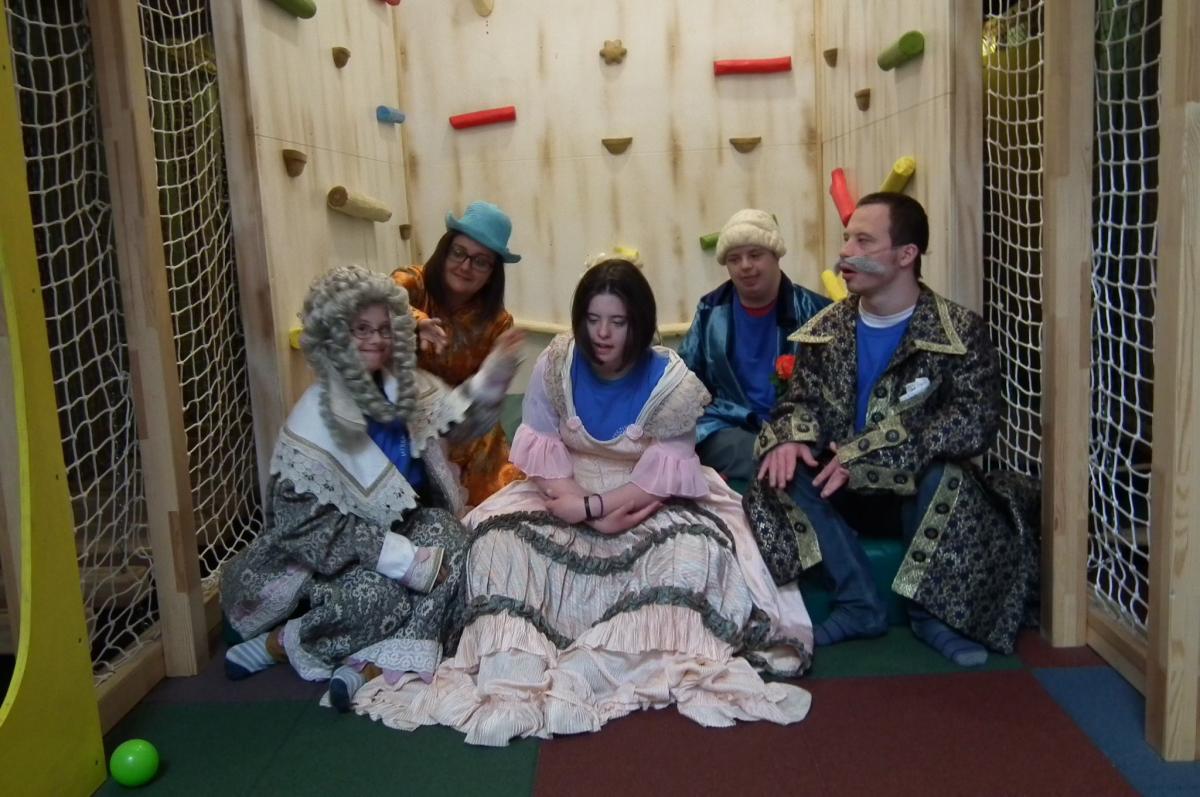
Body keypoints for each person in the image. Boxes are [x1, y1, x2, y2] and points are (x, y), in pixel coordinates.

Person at [355, 257, 813, 745]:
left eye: (618, 322)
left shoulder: (671, 381)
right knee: (495, 547)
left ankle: (611, 658)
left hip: (643, 501)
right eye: (593, 320)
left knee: (696, 555)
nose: (603, 334)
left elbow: (659, 482)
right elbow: (543, 452)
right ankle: (520, 658)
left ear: (639, 323)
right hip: (563, 489)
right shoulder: (557, 364)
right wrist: (573, 502)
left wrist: (597, 511)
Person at [745, 193, 1039, 666]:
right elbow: (800, 402)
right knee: (778, 470)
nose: (845, 252)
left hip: (914, 493)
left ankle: (931, 614)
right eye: (847, 238)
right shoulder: (825, 330)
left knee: (948, 475)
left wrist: (871, 454)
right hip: (837, 491)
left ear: (907, 255)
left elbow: (974, 422)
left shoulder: (959, 331)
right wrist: (790, 436)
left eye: (863, 240)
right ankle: (859, 604)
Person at [220, 265, 522, 711]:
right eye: (361, 329)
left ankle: (373, 662)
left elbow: (459, 423)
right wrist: (398, 559)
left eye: (384, 328)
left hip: (409, 524)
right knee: (379, 596)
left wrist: (492, 377)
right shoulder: (314, 421)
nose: (376, 339)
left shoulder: (406, 386)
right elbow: (304, 529)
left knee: (459, 557)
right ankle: (286, 641)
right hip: (335, 557)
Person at [679, 209, 829, 484]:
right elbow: (684, 378)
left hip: (798, 429)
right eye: (734, 259)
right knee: (775, 468)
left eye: (755, 255)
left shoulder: (816, 311)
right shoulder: (710, 311)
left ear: (776, 256)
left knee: (798, 468)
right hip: (728, 427)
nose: (745, 266)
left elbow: (836, 392)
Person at [392, 200, 524, 506]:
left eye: (480, 261)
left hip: (465, 429)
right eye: (459, 253)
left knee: (503, 507)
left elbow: (481, 410)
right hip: (406, 420)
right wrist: (415, 322)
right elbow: (378, 301)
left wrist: (497, 374)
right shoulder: (414, 282)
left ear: (492, 272)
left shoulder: (498, 323)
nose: (465, 267)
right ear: (445, 250)